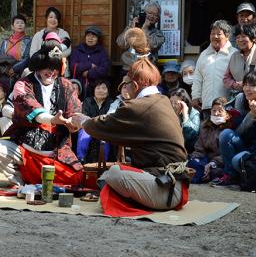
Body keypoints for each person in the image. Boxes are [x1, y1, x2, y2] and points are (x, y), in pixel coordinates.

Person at [76, 57, 189, 211]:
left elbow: (105, 125)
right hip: (173, 184)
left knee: (114, 173)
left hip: (165, 189)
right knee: (113, 174)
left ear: (134, 85)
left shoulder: (137, 106)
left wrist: (83, 122)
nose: (124, 90)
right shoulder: (164, 100)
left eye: (125, 85)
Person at [0, 45, 82, 186]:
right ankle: (19, 180)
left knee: (76, 179)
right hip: (25, 148)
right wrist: (52, 119)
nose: (51, 72)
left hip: (56, 151)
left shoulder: (67, 85)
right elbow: (32, 108)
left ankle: (36, 180)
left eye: (55, 68)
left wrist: (75, 123)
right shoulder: (23, 84)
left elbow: (75, 112)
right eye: (47, 68)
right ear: (37, 66)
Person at [187, 97, 237, 184]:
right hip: (205, 160)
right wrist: (195, 159)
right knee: (191, 164)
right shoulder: (205, 126)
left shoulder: (229, 129)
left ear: (227, 114)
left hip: (220, 163)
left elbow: (225, 155)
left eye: (220, 111)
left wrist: (211, 164)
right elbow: (199, 148)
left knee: (215, 172)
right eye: (214, 111)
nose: (216, 114)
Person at [191, 20, 235, 115]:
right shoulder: (204, 55)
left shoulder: (234, 54)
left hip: (227, 105)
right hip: (207, 105)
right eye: (212, 34)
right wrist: (195, 96)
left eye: (219, 34)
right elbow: (197, 78)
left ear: (227, 37)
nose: (215, 37)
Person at [223, 24, 256, 95]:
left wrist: (249, 84)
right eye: (238, 37)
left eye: (244, 36)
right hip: (239, 96)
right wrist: (234, 84)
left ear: (253, 38)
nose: (240, 40)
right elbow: (226, 78)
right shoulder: (234, 56)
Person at [76, 79, 114, 163]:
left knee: (106, 137)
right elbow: (84, 116)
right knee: (83, 132)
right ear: (94, 90)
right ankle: (81, 158)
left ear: (108, 92)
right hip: (89, 127)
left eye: (104, 88)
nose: (100, 90)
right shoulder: (88, 101)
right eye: (98, 88)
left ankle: (104, 161)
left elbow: (110, 118)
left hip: (103, 129)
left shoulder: (111, 103)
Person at [69, 26, 111, 99]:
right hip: (79, 86)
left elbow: (104, 69)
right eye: (88, 36)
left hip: (96, 86)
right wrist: (89, 65)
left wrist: (88, 73)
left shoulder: (102, 52)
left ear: (98, 39)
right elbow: (73, 67)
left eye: (93, 36)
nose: (90, 38)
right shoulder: (78, 50)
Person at [0, 14, 31, 78]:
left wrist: (15, 69)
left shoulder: (29, 41)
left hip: (21, 71)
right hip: (5, 70)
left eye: (22, 23)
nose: (20, 25)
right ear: (12, 26)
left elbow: (27, 58)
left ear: (25, 26)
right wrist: (6, 70)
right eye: (17, 23)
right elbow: (0, 58)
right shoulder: (5, 42)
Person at [169, 88, 200, 153]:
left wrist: (185, 115)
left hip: (189, 148)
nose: (172, 106)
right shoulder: (169, 112)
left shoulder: (194, 113)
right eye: (170, 102)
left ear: (184, 103)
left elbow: (190, 135)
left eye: (176, 103)